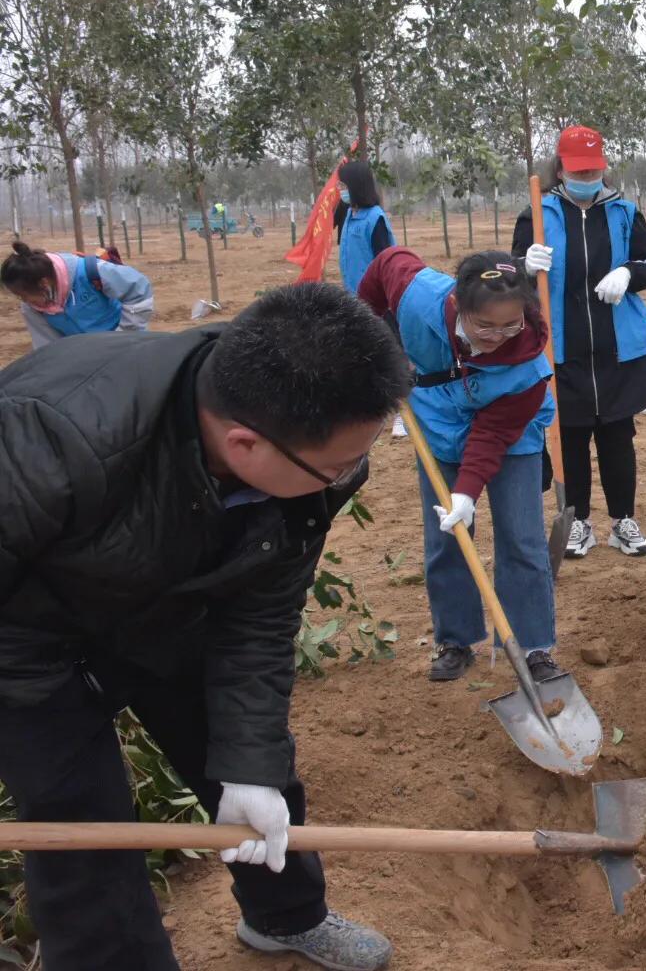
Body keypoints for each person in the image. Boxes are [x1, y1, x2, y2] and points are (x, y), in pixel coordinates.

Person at [0, 284, 410, 971]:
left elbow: (262, 614)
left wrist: (249, 769)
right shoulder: (46, 435)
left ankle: (286, 918)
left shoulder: (307, 457)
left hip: (172, 610)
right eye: (336, 467)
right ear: (244, 443)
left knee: (258, 776)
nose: (348, 477)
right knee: (84, 833)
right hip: (26, 644)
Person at [357, 247, 562, 684]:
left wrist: (467, 493)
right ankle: (455, 640)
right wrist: (367, 325)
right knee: (446, 537)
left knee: (522, 538)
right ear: (457, 304)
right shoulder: (418, 297)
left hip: (509, 437)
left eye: (511, 324)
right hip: (436, 425)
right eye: (485, 325)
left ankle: (532, 646)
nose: (498, 336)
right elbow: (387, 261)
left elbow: (493, 434)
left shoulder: (527, 362)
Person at [510, 126, 646, 559]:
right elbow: (512, 275)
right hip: (562, 348)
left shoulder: (624, 213)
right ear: (561, 169)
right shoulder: (536, 215)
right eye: (578, 171)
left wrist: (628, 273)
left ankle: (623, 520)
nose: (586, 177)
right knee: (571, 436)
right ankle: (577, 520)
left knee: (618, 437)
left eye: (593, 170)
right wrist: (524, 265)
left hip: (617, 349)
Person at [2, 239, 154, 350]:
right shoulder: (32, 308)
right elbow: (48, 348)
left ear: (44, 284)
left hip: (127, 347)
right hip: (88, 360)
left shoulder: (91, 272)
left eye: (23, 295)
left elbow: (139, 291)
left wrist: (123, 337)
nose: (24, 301)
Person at [334, 159, 395, 295]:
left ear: (355, 187)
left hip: (372, 296)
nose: (340, 190)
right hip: (353, 292)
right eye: (339, 185)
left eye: (343, 186)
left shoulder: (375, 218)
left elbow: (384, 263)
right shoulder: (350, 213)